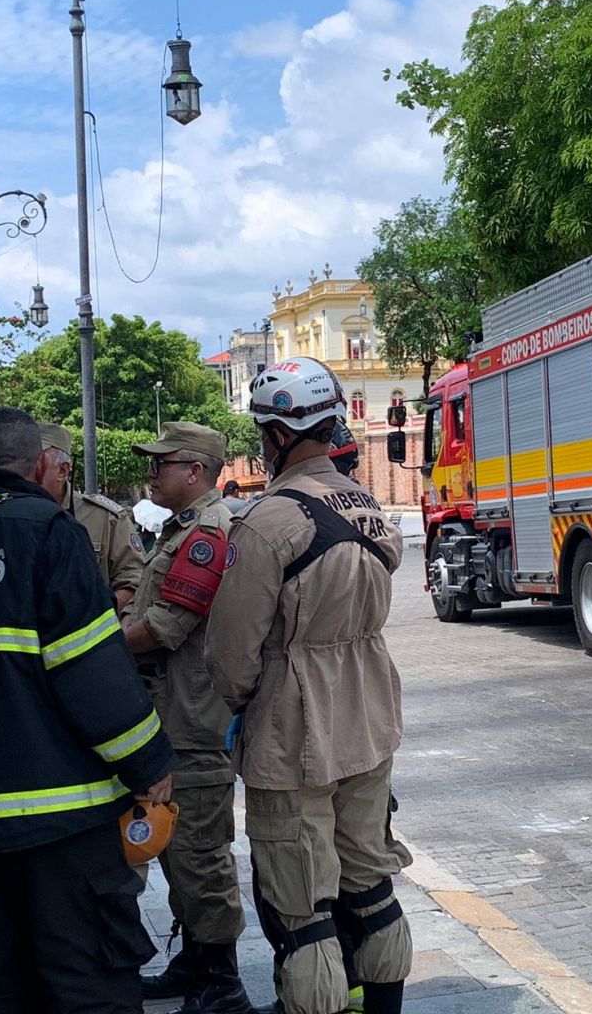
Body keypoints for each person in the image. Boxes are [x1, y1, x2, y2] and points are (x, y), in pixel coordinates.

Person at [0, 407, 176, 1014]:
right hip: (60, 819)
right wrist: (148, 761)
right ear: (44, 464)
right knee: (85, 985)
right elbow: (90, 667)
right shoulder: (48, 531)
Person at [206, 358, 412, 1014]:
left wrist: (243, 705)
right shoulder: (368, 505)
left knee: (303, 911)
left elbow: (232, 655)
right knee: (373, 885)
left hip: (292, 733)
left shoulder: (267, 523)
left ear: (277, 436)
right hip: (369, 716)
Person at [122, 422, 252, 1014]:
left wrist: (97, 648)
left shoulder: (207, 533)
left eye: (161, 463)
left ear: (195, 470)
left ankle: (221, 980)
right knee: (178, 851)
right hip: (171, 715)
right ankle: (196, 958)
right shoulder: (181, 530)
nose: (152, 474)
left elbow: (166, 628)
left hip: (194, 723)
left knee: (200, 854)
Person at [37, 422, 146, 610]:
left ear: (63, 470)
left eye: (36, 463)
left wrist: (96, 616)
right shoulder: (5, 515)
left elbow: (135, 580)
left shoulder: (104, 518)